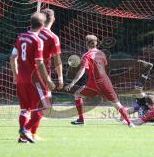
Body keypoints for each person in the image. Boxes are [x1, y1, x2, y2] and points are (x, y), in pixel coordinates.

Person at [65, 35, 135, 127]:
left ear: (86, 44)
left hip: (94, 84)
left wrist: (73, 82)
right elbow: (103, 66)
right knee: (117, 104)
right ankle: (130, 123)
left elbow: (82, 70)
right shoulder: (102, 53)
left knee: (77, 94)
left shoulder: (86, 55)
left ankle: (81, 119)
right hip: (106, 82)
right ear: (96, 43)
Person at [10, 12, 55, 143]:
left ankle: (22, 137)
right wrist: (48, 80)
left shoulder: (20, 37)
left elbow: (13, 57)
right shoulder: (38, 40)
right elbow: (40, 62)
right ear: (42, 26)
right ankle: (26, 130)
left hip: (21, 79)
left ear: (31, 23)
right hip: (34, 80)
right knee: (44, 107)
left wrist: (15, 75)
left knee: (24, 109)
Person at [29, 8, 63, 141]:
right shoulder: (53, 37)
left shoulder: (32, 32)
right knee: (44, 106)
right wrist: (60, 78)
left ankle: (30, 132)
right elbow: (57, 59)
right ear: (53, 20)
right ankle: (28, 132)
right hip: (42, 75)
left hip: (26, 73)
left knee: (33, 105)